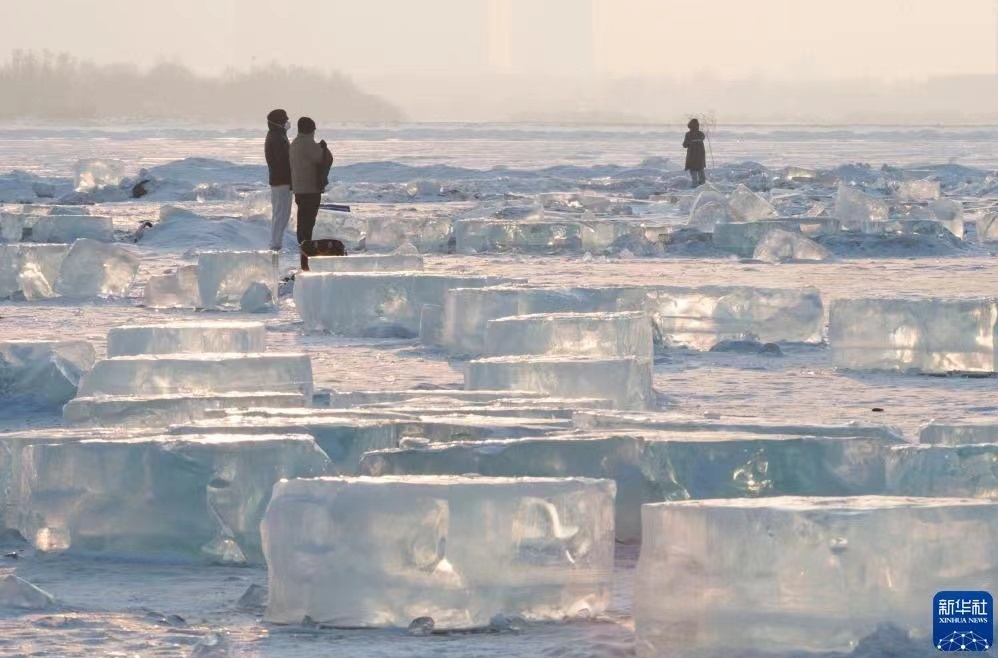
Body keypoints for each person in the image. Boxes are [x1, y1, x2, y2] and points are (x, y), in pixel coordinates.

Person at [289, 116, 334, 271]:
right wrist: (323, 147)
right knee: (308, 223)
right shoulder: (308, 144)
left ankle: (304, 252)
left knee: (303, 221)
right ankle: (305, 256)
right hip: (310, 189)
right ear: (311, 130)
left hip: (299, 189)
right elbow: (325, 158)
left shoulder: (294, 143)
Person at [265, 108, 293, 251]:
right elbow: (283, 160)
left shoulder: (279, 135)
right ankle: (275, 244)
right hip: (281, 180)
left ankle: (277, 243)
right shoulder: (277, 137)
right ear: (279, 122)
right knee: (281, 214)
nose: (288, 121)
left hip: (281, 180)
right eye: (285, 119)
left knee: (282, 213)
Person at [683, 118, 707, 188]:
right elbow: (703, 138)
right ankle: (702, 185)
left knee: (693, 171)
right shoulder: (701, 134)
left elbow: (685, 145)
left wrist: (689, 143)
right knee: (700, 170)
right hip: (700, 155)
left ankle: (695, 185)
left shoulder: (688, 134)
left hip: (692, 155)